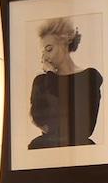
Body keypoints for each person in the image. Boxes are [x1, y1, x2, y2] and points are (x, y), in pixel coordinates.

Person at [27, 16, 103, 149]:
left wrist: (51, 77)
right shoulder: (41, 81)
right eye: (43, 52)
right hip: (46, 145)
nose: (45, 57)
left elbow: (85, 127)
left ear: (65, 42)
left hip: (79, 145)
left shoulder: (90, 77)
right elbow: (39, 119)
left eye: (49, 49)